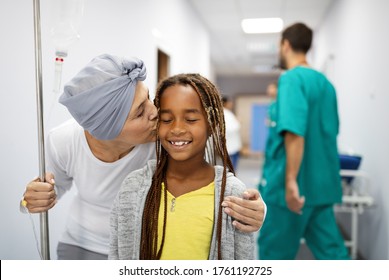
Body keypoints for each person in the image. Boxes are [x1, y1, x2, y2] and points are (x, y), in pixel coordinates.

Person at [21, 54, 265, 260]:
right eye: (140, 113)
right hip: (83, 247)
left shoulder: (168, 140)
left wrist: (255, 208)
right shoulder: (63, 141)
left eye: (147, 98)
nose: (155, 113)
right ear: (109, 129)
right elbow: (52, 190)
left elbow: (214, 184)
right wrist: (31, 200)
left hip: (143, 249)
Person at [109, 73, 255, 260]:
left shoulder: (232, 194)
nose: (177, 129)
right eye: (167, 119)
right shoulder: (133, 187)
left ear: (211, 125)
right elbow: (116, 255)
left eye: (191, 120)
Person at [257, 23, 350, 260]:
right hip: (321, 187)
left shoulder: (290, 79)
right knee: (333, 253)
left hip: (290, 189)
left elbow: (294, 132)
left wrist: (290, 181)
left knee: (274, 254)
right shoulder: (326, 85)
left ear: (285, 45)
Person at [222, 96, 242, 171]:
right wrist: (238, 123)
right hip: (230, 143)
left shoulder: (228, 113)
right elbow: (230, 128)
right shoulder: (225, 114)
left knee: (232, 163)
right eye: (229, 102)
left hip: (232, 143)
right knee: (230, 164)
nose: (231, 104)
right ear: (225, 103)